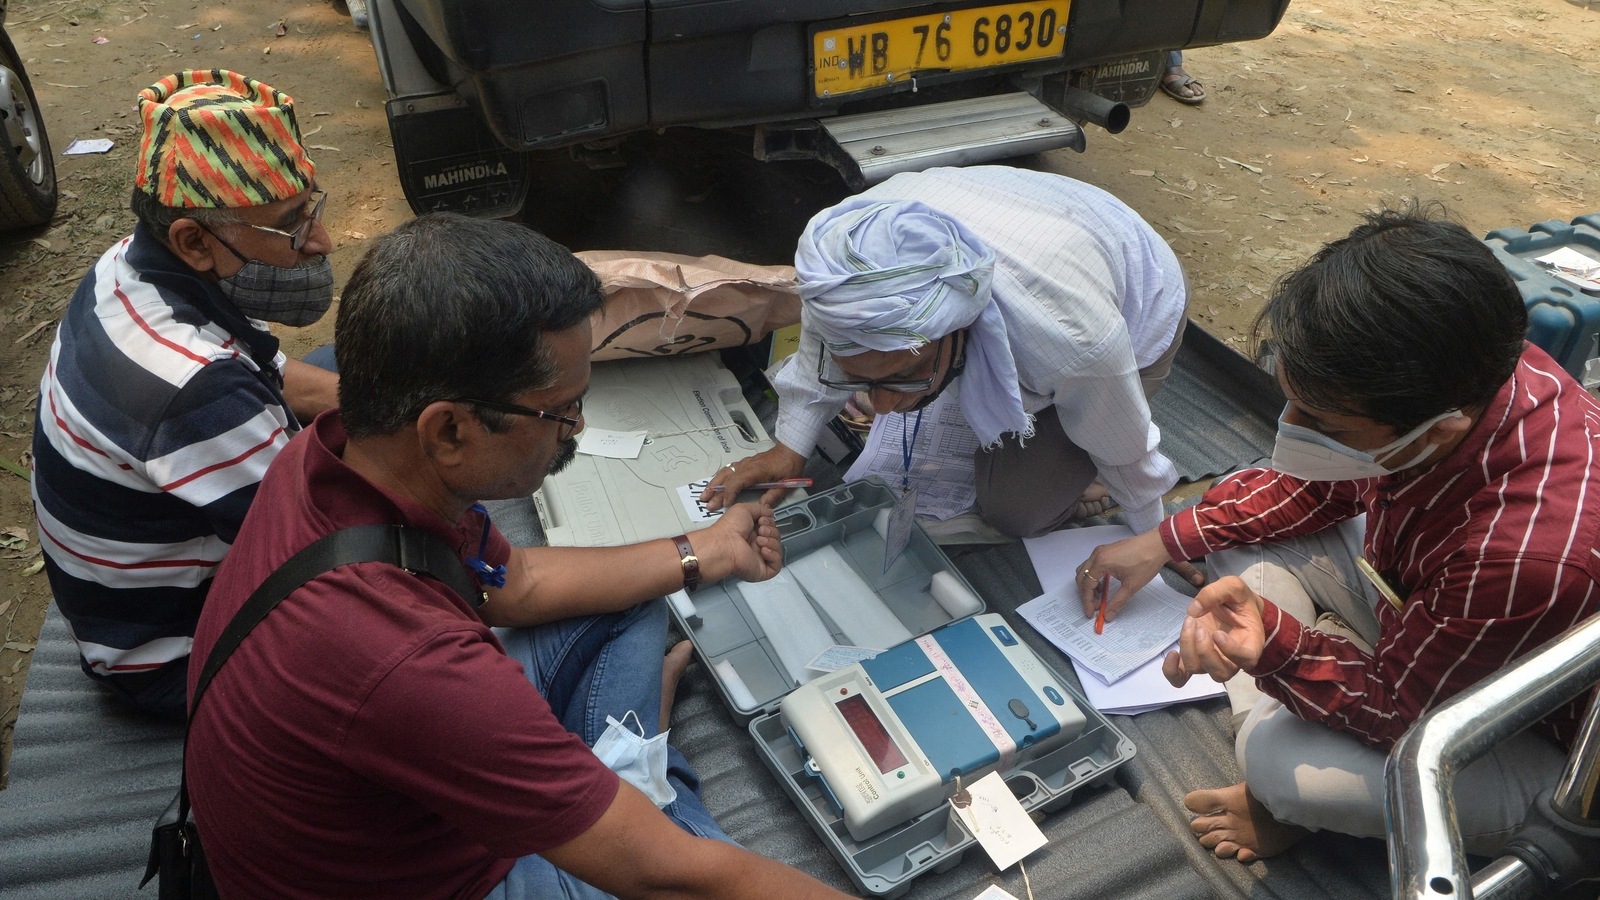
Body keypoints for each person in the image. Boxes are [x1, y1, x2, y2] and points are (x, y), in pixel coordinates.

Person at [185, 213, 849, 899]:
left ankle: (619, 782)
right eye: (561, 410)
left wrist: (705, 550)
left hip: (387, 788)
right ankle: (644, 788)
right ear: (447, 430)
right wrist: (656, 845)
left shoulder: (329, 456)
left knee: (639, 595)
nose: (579, 428)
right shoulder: (411, 664)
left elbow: (517, 581)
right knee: (682, 862)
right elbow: (666, 881)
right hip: (454, 876)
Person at [1077, 207, 1600, 862]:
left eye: (1323, 421)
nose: (1290, 429)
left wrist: (1275, 649)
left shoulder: (1521, 552)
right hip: (1441, 615)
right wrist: (1165, 540)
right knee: (1231, 531)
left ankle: (1280, 794)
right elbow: (1321, 480)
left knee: (1278, 767)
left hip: (1548, 742)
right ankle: (1307, 675)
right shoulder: (1466, 364)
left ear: (1436, 429)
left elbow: (1405, 710)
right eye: (1291, 400)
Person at [29, 69, 339, 721]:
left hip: (139, 580)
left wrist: (396, 403)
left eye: (312, 206)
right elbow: (334, 562)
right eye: (291, 224)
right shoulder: (195, 390)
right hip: (172, 657)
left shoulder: (128, 267)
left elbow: (274, 370)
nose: (321, 242)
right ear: (194, 241)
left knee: (366, 375)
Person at [704, 165, 1190, 540]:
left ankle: (1082, 475)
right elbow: (823, 341)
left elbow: (1124, 444)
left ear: (960, 328)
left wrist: (1155, 538)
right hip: (1037, 223)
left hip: (1136, 299)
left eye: (903, 375)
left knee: (1017, 510)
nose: (883, 408)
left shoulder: (1073, 338)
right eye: (869, 380)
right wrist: (790, 448)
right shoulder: (848, 266)